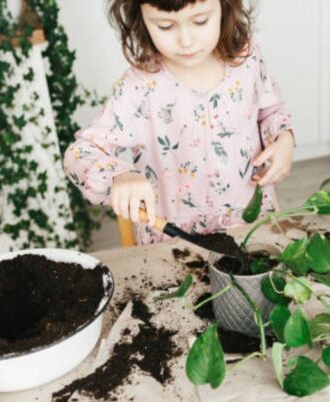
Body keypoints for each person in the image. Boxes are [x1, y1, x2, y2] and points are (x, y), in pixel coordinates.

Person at [64, 0, 295, 245]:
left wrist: (284, 138)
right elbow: (79, 153)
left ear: (225, 7)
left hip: (251, 229)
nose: (186, 41)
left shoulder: (247, 61)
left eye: (200, 21)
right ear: (141, 19)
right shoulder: (138, 89)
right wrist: (119, 176)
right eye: (165, 26)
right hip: (175, 242)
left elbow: (271, 109)